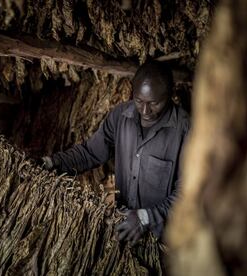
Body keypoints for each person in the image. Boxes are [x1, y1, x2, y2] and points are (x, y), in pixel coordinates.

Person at [41, 61, 190, 245]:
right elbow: (90, 153)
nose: (145, 111)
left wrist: (145, 217)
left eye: (154, 103)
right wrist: (52, 163)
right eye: (139, 101)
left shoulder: (186, 130)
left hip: (165, 240)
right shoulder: (120, 116)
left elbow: (189, 193)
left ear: (170, 95)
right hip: (124, 228)